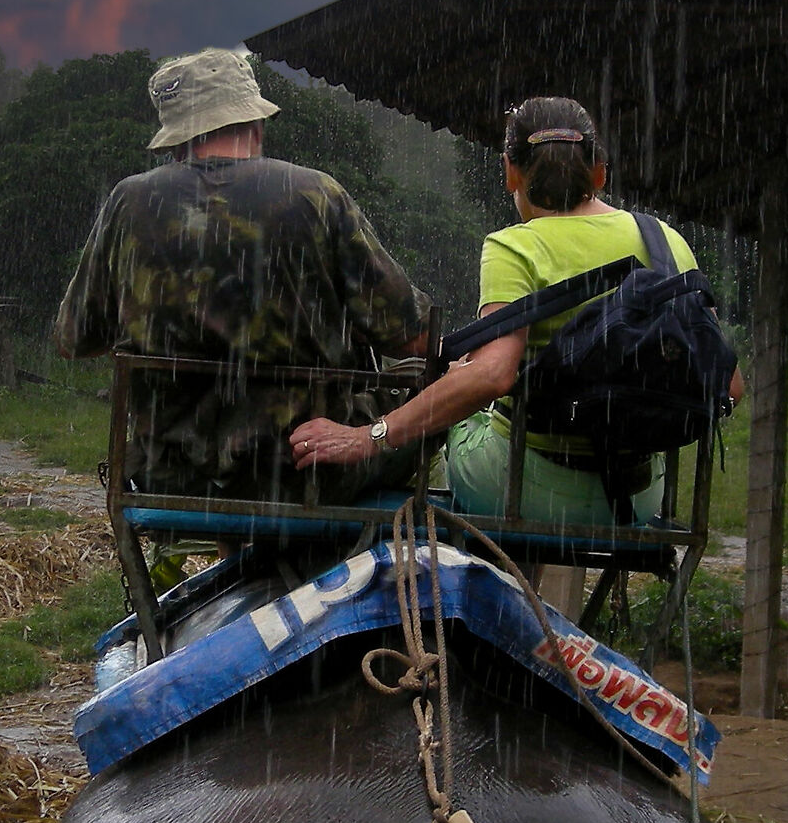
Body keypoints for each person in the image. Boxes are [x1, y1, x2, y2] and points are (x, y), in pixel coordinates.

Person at [289, 95, 744, 528]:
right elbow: (731, 386)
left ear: (510, 172)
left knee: (460, 400)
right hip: (634, 500)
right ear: (600, 171)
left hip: (521, 494)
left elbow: (492, 377)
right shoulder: (664, 240)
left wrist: (367, 437)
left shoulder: (514, 246)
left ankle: (475, 585)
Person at [54, 47, 430, 502]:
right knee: (446, 386)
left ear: (177, 139)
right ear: (255, 121)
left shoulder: (129, 201)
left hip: (172, 473)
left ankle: (241, 550)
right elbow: (410, 338)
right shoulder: (312, 192)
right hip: (303, 472)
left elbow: (75, 339)